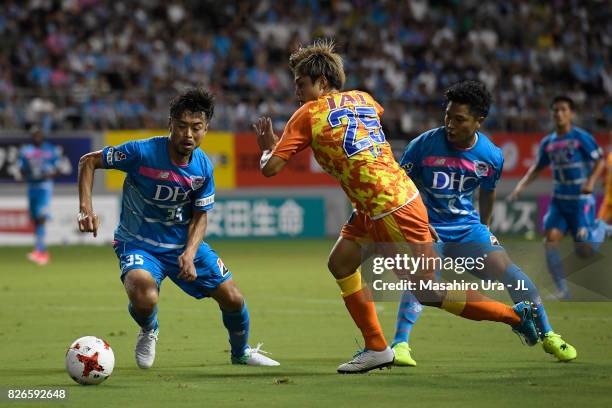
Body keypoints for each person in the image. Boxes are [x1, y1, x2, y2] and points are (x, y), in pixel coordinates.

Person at [253, 40, 538, 374]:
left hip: (386, 207)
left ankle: (515, 316)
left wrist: (266, 150)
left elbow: (270, 169)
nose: (296, 90)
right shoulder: (365, 99)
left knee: (428, 290)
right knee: (341, 263)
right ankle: (376, 347)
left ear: (323, 83)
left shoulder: (308, 114)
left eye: (302, 83)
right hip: (385, 200)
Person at [77, 88, 279, 369]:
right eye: (182, 126)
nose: (188, 134)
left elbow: (201, 215)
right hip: (137, 243)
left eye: (196, 128)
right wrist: (86, 208)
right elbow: (89, 161)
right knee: (144, 296)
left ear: (206, 129)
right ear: (170, 124)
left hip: (182, 244)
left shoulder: (203, 167)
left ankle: (240, 353)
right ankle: (149, 329)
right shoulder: (141, 151)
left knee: (233, 298)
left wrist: (190, 252)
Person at [391, 80, 576, 367]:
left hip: (467, 228)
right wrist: (413, 223)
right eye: (447, 116)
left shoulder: (491, 157)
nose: (450, 124)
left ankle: (548, 334)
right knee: (423, 280)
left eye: (459, 119)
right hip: (426, 226)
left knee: (507, 269)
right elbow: (400, 186)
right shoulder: (422, 146)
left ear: (479, 121)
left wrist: (486, 228)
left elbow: (486, 195)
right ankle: (400, 344)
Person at [509, 96, 606, 299]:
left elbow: (599, 162)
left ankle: (601, 228)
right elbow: (537, 168)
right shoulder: (549, 142)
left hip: (580, 200)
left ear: (571, 113)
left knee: (584, 251)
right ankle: (562, 290)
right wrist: (520, 187)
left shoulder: (580, 137)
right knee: (550, 241)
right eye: (555, 110)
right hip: (559, 201)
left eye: (563, 110)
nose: (559, 114)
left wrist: (590, 182)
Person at [15, 126, 69, 265]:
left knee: (41, 218)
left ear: (42, 135)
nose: (37, 136)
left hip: (44, 187)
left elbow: (61, 168)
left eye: (39, 134)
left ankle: (41, 252)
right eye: (35, 134)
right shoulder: (26, 151)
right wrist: (21, 174)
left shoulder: (50, 150)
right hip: (32, 187)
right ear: (32, 136)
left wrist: (50, 174)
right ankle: (40, 250)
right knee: (35, 219)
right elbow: (20, 168)